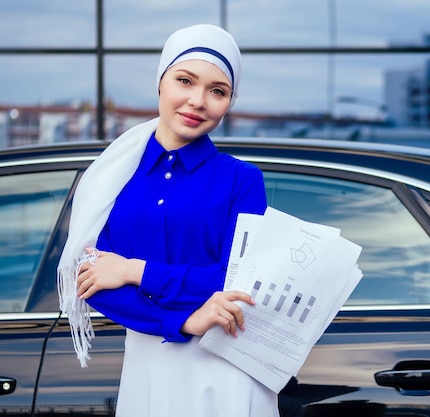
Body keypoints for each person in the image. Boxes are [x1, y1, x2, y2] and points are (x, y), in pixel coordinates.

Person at [57, 24, 279, 417]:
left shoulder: (241, 179)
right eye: (185, 81)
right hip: (147, 365)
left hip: (226, 368)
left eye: (217, 91)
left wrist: (135, 270)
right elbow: (94, 279)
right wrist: (183, 321)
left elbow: (239, 282)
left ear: (228, 102)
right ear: (160, 82)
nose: (198, 101)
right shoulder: (115, 175)